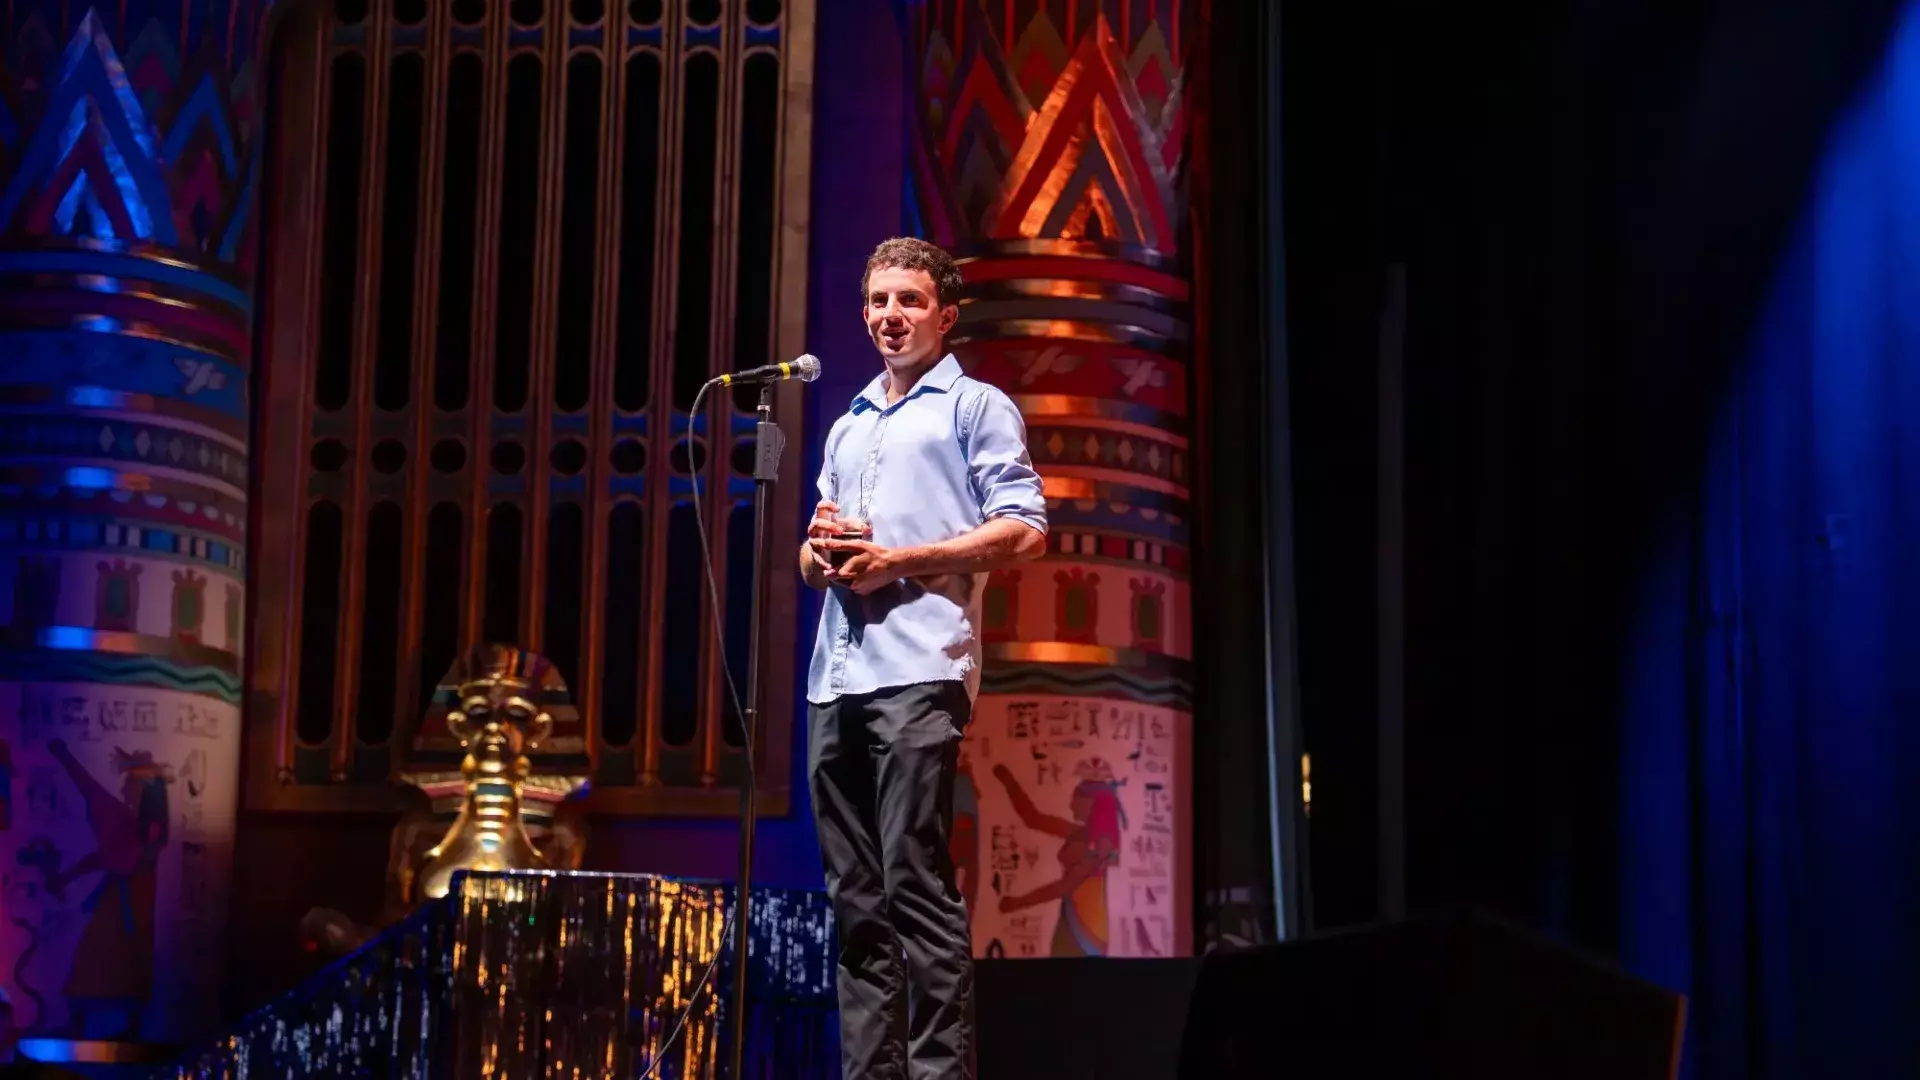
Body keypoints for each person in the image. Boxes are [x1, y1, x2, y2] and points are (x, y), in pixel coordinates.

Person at [801, 236, 1048, 1079]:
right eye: (877, 302)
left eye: (907, 301)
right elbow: (812, 553)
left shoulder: (974, 407)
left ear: (945, 315)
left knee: (914, 885)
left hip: (918, 669)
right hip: (835, 677)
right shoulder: (848, 422)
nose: (889, 317)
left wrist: (898, 561)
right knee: (856, 905)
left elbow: (1026, 527)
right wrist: (820, 552)